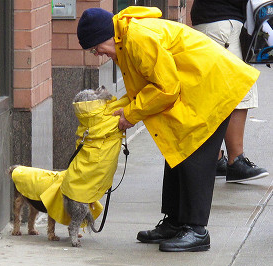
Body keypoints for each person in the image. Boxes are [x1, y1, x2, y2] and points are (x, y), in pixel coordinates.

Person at [77, 6, 259, 252]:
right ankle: (174, 222)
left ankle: (196, 230)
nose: (97, 53)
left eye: (94, 47)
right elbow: (143, 88)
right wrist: (114, 110)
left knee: (194, 155)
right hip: (198, 88)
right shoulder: (125, 40)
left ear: (104, 36)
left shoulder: (138, 38)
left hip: (213, 88)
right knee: (175, 151)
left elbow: (166, 89)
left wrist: (130, 114)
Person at [191, 0, 269, 183]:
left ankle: (215, 158)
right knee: (238, 89)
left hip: (212, 20)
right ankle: (236, 161)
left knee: (215, 92)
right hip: (223, 23)